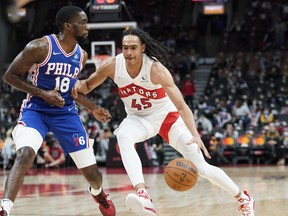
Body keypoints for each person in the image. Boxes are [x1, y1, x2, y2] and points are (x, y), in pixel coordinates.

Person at [73, 28, 255, 216]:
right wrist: (71, 82)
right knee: (123, 135)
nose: (128, 52)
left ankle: (243, 197)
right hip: (138, 118)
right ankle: (143, 195)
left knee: (201, 168)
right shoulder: (112, 65)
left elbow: (182, 106)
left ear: (143, 48)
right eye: (125, 47)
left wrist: (195, 134)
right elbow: (85, 86)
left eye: (133, 48)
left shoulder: (156, 69)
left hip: (166, 117)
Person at [2, 6, 115, 216]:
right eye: (83, 22)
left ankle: (98, 192)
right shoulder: (39, 47)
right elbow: (9, 76)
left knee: (94, 175)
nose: (87, 26)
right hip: (36, 110)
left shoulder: (81, 55)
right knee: (25, 154)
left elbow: (70, 91)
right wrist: (42, 93)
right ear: (68, 26)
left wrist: (93, 108)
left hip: (66, 113)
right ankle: (5, 208)